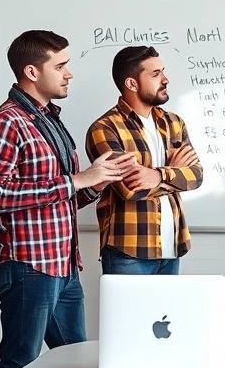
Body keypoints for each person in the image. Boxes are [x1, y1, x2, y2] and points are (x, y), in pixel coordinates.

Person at [0, 30, 136, 368]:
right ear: (32, 72)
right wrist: (78, 179)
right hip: (28, 265)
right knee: (20, 364)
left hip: (62, 265)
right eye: (60, 65)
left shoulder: (49, 120)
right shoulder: (5, 123)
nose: (69, 73)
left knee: (79, 363)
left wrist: (97, 182)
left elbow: (60, 196)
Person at [85, 45, 203, 274]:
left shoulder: (174, 123)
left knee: (169, 312)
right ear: (131, 83)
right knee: (127, 312)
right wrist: (175, 171)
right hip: (128, 252)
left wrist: (158, 175)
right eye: (155, 74)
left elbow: (197, 175)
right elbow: (130, 188)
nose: (166, 79)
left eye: (163, 71)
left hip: (172, 248)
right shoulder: (105, 128)